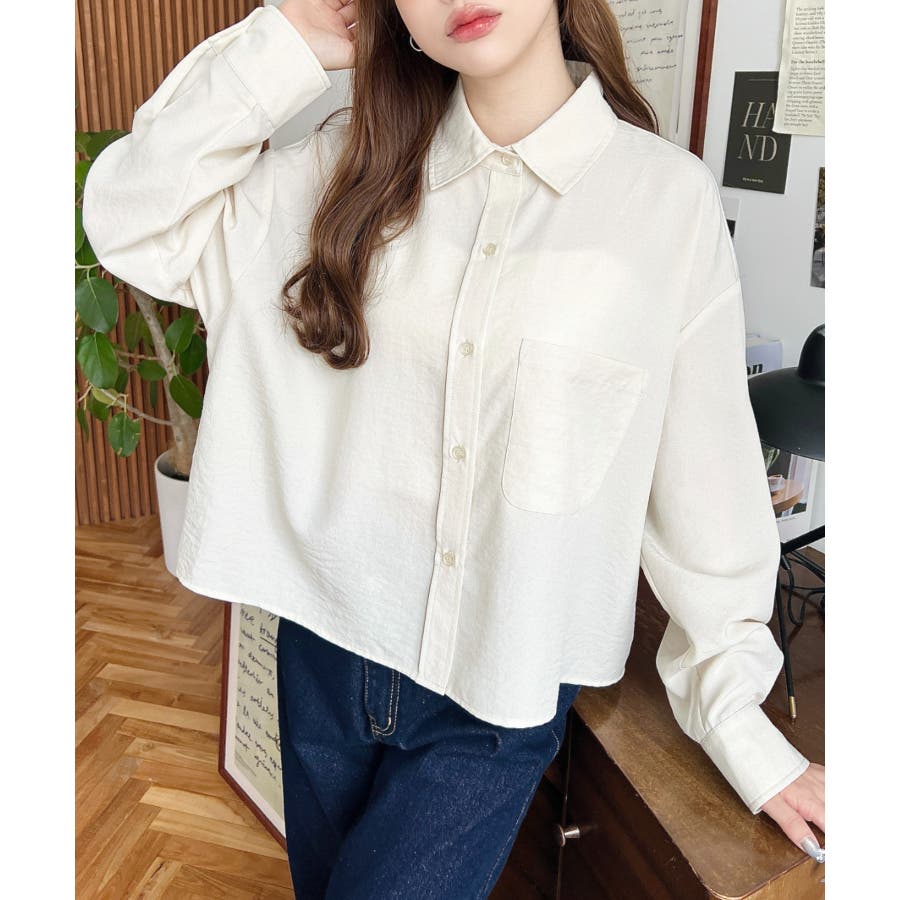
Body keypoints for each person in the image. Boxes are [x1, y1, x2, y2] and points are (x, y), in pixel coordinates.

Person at [81, 0, 826, 896]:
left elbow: (705, 484)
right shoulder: (338, 167)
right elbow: (131, 220)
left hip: (496, 691)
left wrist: (743, 728)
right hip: (323, 648)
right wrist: (288, 42)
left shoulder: (665, 204)